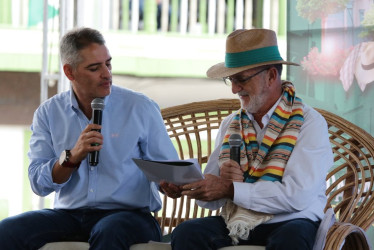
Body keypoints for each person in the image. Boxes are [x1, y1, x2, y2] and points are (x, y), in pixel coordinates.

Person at [0, 27, 178, 250]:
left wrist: (169, 183)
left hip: (130, 216)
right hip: (69, 215)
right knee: (7, 231)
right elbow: (38, 183)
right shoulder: (48, 113)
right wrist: (72, 157)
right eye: (95, 68)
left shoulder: (140, 107)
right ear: (69, 72)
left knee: (110, 231)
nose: (106, 74)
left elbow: (170, 169)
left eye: (108, 64)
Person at [160, 28, 334, 249]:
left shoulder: (309, 122)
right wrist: (187, 187)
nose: (234, 89)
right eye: (230, 80)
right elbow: (212, 196)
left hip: (292, 219)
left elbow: (296, 196)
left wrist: (230, 189)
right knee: (187, 233)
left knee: (291, 240)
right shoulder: (231, 124)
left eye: (241, 79)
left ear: (271, 76)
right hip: (237, 220)